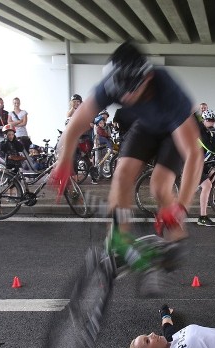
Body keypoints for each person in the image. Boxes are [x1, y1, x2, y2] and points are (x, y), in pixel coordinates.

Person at [49, 41, 202, 300]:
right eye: (122, 93)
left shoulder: (168, 91)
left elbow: (194, 156)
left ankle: (176, 239)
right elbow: (76, 123)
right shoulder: (112, 84)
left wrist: (182, 206)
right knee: (121, 175)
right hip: (146, 126)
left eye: (132, 90)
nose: (127, 98)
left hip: (173, 131)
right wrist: (64, 161)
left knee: (159, 186)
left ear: (148, 77)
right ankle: (119, 241)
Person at [196, 109, 215, 227]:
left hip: (197, 161)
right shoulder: (200, 131)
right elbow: (212, 148)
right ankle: (202, 217)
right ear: (204, 120)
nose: (212, 123)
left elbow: (214, 148)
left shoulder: (204, 129)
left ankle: (199, 188)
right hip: (190, 162)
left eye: (214, 121)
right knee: (207, 185)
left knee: (213, 173)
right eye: (210, 121)